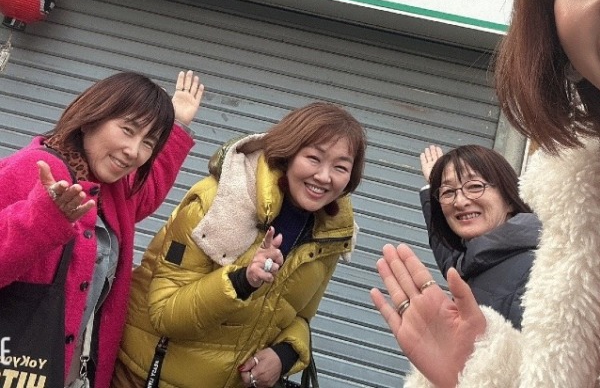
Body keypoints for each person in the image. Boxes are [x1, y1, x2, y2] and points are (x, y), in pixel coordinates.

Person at [370, 0, 600, 388]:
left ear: (511, 193)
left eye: (475, 186)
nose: (460, 201)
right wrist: (481, 370)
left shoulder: (528, 257)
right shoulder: (555, 238)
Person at [111, 102, 367, 388]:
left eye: (340, 167)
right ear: (289, 153)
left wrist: (285, 354)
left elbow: (299, 317)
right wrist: (243, 280)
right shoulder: (217, 203)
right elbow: (164, 314)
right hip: (146, 376)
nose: (324, 176)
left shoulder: (330, 234)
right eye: (314, 158)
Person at [0, 69, 204, 388]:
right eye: (127, 130)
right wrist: (42, 220)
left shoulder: (112, 188)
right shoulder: (34, 169)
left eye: (148, 142)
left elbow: (147, 192)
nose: (133, 151)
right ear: (91, 118)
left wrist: (177, 126)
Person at [419, 144, 539, 329]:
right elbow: (452, 261)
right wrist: (432, 187)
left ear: (509, 198)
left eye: (475, 186)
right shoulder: (476, 261)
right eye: (448, 192)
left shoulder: (535, 272)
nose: (459, 202)